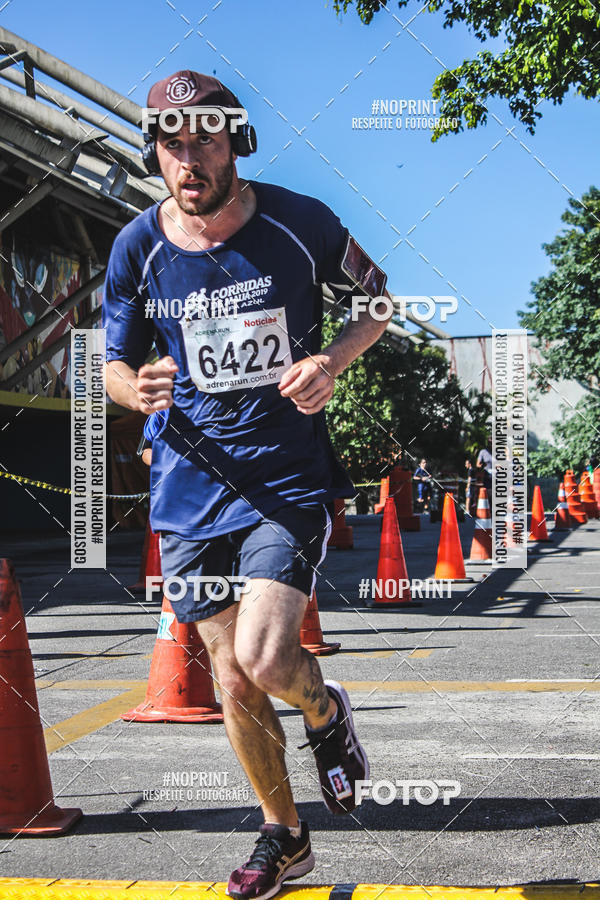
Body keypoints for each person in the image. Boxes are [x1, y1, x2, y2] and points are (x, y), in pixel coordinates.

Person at [102, 70, 393, 900]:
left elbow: (378, 303)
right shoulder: (137, 247)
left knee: (267, 657)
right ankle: (284, 835)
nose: (189, 159)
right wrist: (136, 389)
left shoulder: (301, 223)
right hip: (188, 487)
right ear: (154, 153)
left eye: (206, 139)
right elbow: (114, 362)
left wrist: (329, 361)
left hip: (283, 477)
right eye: (172, 144)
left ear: (237, 144)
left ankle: (324, 710)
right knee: (230, 677)